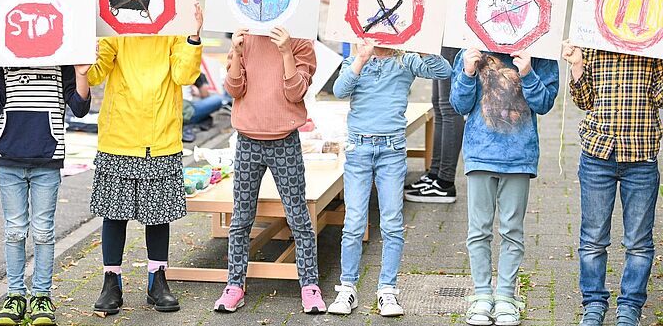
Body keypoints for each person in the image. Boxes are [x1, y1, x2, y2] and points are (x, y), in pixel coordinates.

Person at [0, 0, 92, 326]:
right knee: (13, 231)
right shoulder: (1, 57)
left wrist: (82, 74)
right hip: (9, 154)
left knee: (42, 231)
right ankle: (14, 297)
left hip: (47, 156)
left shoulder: (64, 56)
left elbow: (80, 108)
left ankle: (41, 297)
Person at [561, 0, 662, 326]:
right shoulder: (594, 43)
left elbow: (660, 97)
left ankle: (629, 306)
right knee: (593, 238)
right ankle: (593, 303)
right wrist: (576, 65)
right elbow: (585, 101)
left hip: (640, 155)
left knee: (638, 241)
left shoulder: (654, 48)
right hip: (598, 153)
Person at [88, 5, 204, 315]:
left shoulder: (174, 27)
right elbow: (96, 73)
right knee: (113, 214)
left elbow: (184, 74)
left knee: (158, 214)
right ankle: (111, 279)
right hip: (119, 135)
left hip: (161, 136)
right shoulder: (115, 28)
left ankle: (158, 280)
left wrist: (193, 37)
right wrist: (89, 42)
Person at [347, 0, 466, 204]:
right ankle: (435, 173)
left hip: (452, 17)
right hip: (444, 18)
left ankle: (445, 182)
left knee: (449, 105)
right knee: (439, 103)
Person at [328, 41, 451, 317]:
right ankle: (348, 287)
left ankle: (387, 289)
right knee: (354, 221)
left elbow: (443, 71)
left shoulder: (405, 60)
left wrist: (423, 48)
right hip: (358, 149)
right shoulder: (356, 58)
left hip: (392, 150)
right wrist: (360, 58)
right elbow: (339, 90)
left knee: (392, 221)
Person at [213, 27, 326, 314]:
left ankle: (309, 286)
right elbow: (233, 88)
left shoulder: (300, 39)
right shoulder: (244, 35)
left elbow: (296, 91)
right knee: (240, 219)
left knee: (298, 215)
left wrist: (286, 50)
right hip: (248, 140)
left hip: (284, 140)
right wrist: (237, 52)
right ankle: (234, 285)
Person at [451, 48, 558, 326]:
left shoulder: (541, 54)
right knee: (479, 229)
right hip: (480, 155)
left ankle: (506, 296)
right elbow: (459, 105)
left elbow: (545, 103)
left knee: (512, 230)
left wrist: (527, 72)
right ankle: (483, 295)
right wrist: (468, 71)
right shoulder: (470, 49)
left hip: (519, 158)